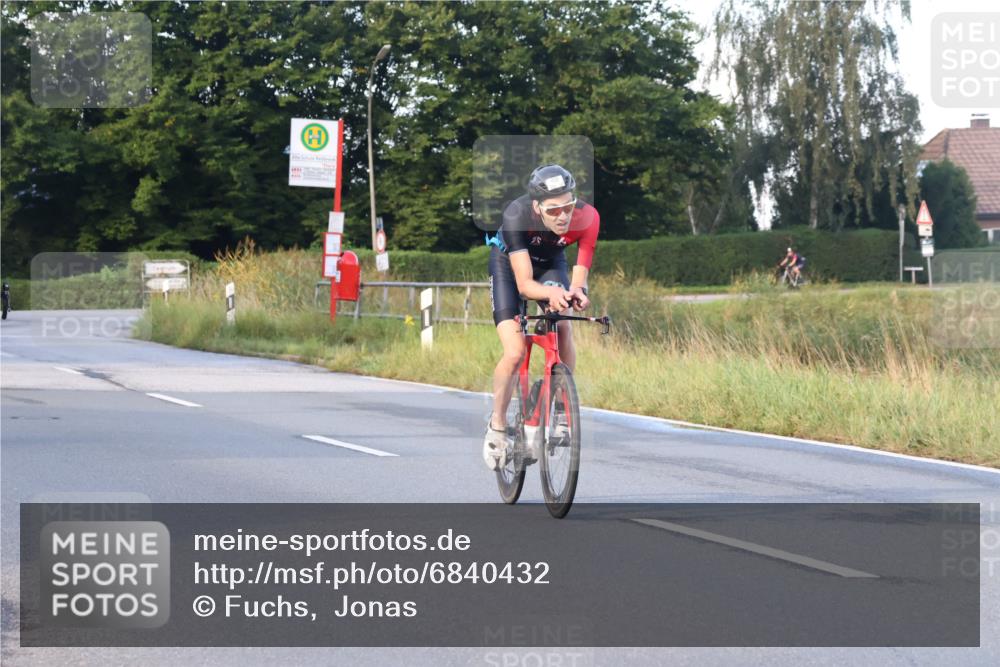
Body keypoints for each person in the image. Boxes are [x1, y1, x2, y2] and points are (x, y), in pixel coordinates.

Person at [482, 164, 600, 470]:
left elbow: (579, 275)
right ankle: (496, 425)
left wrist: (577, 292)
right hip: (510, 268)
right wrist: (549, 294)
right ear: (537, 208)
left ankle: (560, 406)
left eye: (568, 207)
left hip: (550, 263)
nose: (563, 216)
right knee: (515, 350)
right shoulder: (516, 215)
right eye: (554, 210)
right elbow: (524, 285)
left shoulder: (588, 218)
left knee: (562, 324)